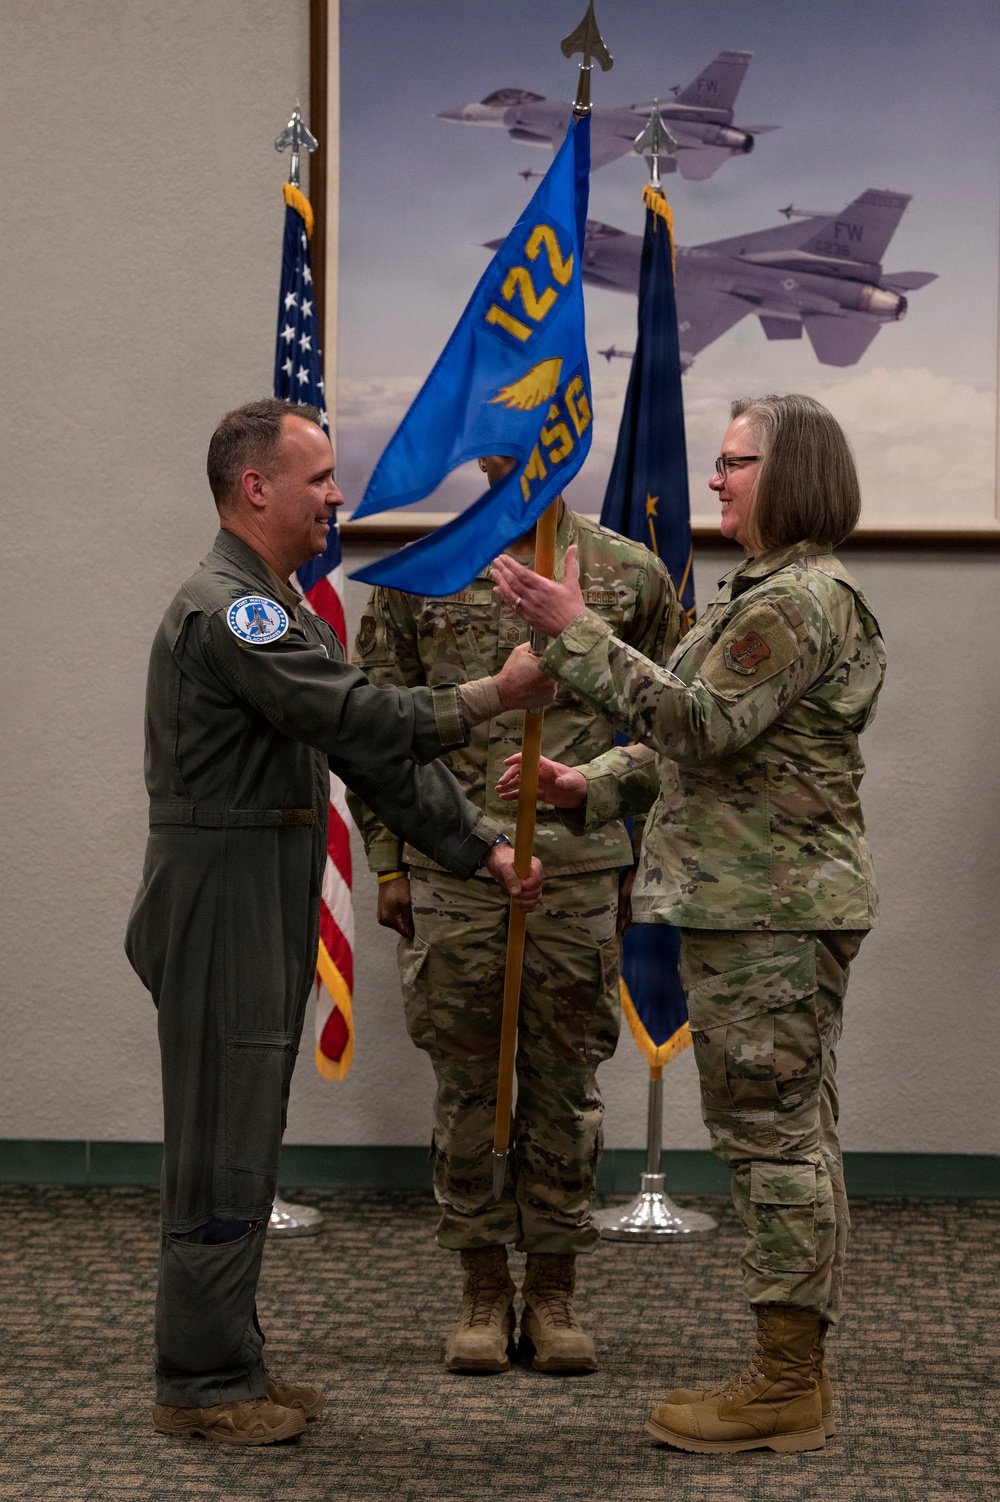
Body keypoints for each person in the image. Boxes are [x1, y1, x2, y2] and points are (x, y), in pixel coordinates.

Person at [125, 400, 550, 1446]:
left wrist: (476, 847)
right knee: (221, 1140)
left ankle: (231, 1358)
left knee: (245, 1129)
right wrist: (492, 694)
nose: (338, 495)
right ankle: (202, 1379)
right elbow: (364, 718)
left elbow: (365, 758)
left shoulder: (281, 605)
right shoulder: (233, 610)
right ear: (254, 486)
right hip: (222, 885)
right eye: (318, 476)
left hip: (257, 877)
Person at [492, 394, 886, 1454]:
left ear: (791, 471)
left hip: (769, 909)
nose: (714, 478)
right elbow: (695, 736)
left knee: (772, 1142)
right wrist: (594, 779)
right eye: (714, 461)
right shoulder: (760, 594)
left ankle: (785, 1384)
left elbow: (701, 722)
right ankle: (787, 1368)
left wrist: (572, 634)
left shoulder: (795, 601)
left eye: (734, 461)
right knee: (783, 1136)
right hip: (754, 901)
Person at [351, 456, 683, 1375]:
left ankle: (556, 1291)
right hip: (453, 869)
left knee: (565, 1086)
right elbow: (376, 732)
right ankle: (482, 1289)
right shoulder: (420, 573)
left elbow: (672, 725)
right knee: (467, 1087)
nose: (514, 445)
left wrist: (618, 826)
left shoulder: (630, 576)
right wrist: (387, 860)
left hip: (577, 871)